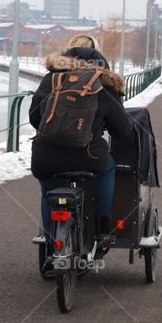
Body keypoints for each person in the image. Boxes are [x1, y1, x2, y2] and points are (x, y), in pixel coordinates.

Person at [29, 35, 134, 261]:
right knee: (107, 168)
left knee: (48, 190)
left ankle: (50, 243)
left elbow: (34, 118)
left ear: (66, 53)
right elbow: (121, 130)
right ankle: (102, 225)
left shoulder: (51, 79)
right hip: (89, 156)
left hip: (46, 157)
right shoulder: (104, 82)